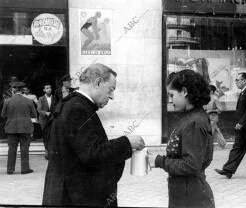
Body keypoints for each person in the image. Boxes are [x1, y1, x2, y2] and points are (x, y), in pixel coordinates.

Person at [42, 63, 145, 206]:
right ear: (97, 83)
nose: (112, 96)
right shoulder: (78, 109)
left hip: (64, 194)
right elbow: (93, 154)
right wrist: (127, 143)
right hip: (76, 198)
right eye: (111, 89)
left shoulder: (69, 104)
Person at [153, 70, 215, 208]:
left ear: (185, 91)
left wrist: (159, 161)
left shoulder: (194, 122)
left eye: (171, 95)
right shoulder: (192, 117)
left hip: (191, 197)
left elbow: (192, 165)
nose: (170, 100)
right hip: (186, 192)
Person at [1, 81, 37, 175]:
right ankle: (25, 169)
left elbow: (3, 115)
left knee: (12, 149)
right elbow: (34, 114)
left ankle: (10, 169)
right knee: (25, 148)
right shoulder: (29, 101)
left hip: (11, 128)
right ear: (22, 90)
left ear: (13, 90)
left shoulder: (7, 101)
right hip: (25, 128)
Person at [37, 83, 56, 160]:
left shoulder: (54, 98)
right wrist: (45, 113)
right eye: (47, 88)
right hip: (44, 120)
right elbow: (39, 109)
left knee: (52, 136)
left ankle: (52, 152)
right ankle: (46, 151)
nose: (49, 89)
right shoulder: (41, 99)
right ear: (44, 90)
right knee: (45, 136)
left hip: (52, 120)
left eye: (50, 88)